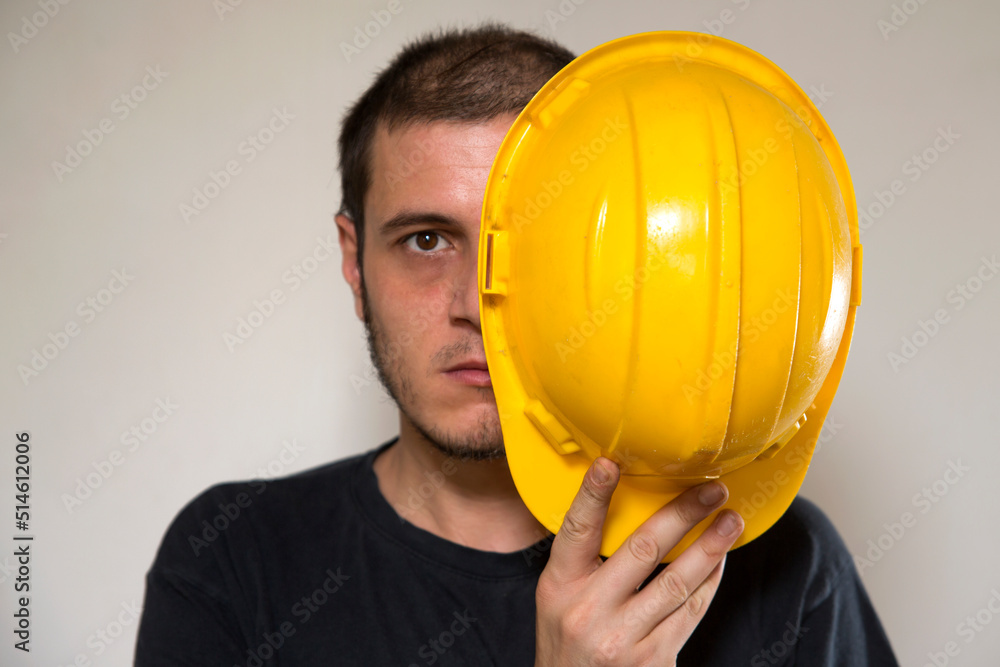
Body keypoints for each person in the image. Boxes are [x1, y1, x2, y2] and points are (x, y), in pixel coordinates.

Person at [134, 23, 899, 666]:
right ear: (354, 260)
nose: (474, 304)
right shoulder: (235, 558)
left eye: (530, 242)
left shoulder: (780, 564)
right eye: (426, 239)